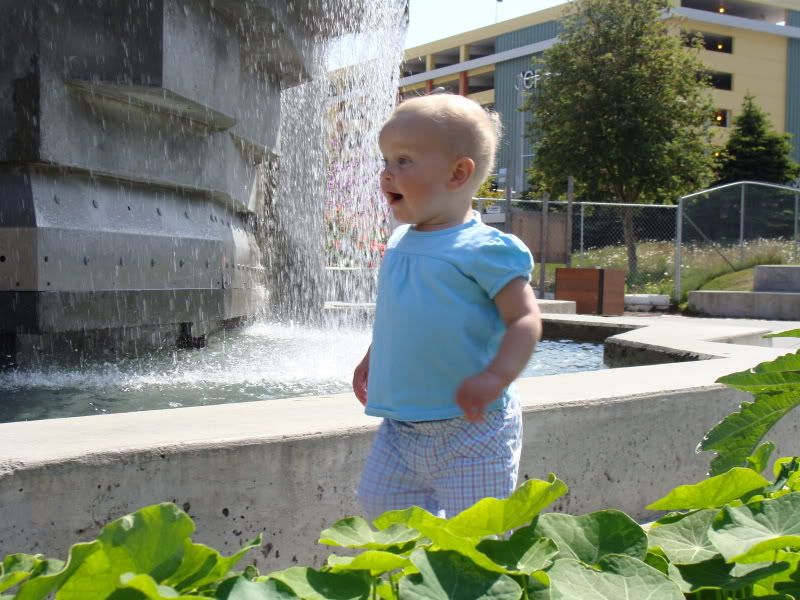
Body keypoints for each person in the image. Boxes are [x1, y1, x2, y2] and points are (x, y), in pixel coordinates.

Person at [352, 93, 542, 520]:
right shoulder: (400, 241)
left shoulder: (486, 248)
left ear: (458, 174)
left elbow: (525, 319)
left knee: (474, 534)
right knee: (381, 513)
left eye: (403, 161)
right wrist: (372, 357)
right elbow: (402, 315)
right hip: (401, 429)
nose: (386, 174)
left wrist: (497, 376)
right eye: (385, 160)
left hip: (474, 432)